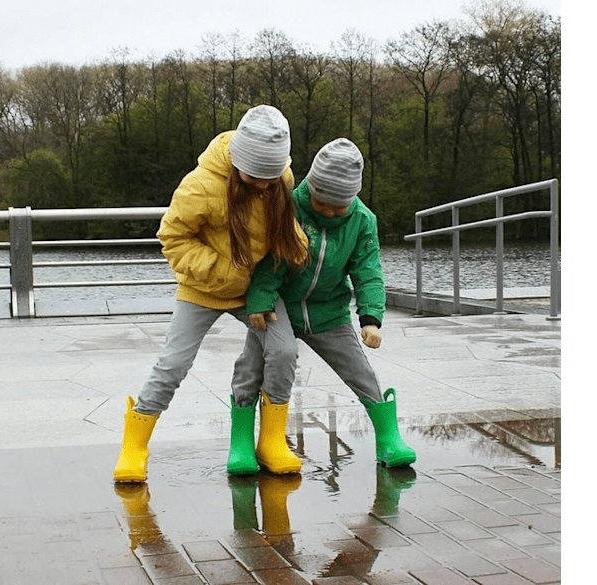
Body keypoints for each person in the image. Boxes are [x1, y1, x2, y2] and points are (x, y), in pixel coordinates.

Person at [113, 105, 309, 483]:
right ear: (238, 163)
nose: (266, 186)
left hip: (254, 289)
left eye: (272, 178)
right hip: (203, 288)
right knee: (173, 364)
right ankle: (134, 446)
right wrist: (229, 274)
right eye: (258, 177)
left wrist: (294, 250)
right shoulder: (200, 185)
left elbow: (284, 228)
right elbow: (172, 239)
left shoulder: (278, 177)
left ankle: (271, 441)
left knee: (283, 350)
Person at [246, 138, 417, 468]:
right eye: (320, 201)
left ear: (352, 198)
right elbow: (269, 257)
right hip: (280, 305)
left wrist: (371, 318)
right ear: (311, 186)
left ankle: (388, 437)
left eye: (338, 207)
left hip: (329, 311)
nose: (327, 211)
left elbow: (368, 270)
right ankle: (247, 440)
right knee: (253, 368)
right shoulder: (290, 205)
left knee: (360, 371)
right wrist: (261, 297)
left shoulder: (363, 221)